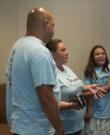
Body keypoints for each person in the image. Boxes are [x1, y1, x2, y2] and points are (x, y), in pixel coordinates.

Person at [6, 7, 65, 135]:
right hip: (37, 129)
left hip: (20, 126)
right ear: (45, 24)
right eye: (53, 26)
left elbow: (9, 76)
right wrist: (60, 129)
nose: (53, 31)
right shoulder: (40, 51)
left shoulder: (17, 46)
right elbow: (46, 97)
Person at [46, 39, 105, 135]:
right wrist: (69, 105)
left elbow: (78, 86)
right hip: (64, 128)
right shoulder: (50, 73)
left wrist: (90, 87)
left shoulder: (67, 69)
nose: (67, 52)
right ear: (53, 54)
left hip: (78, 124)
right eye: (63, 50)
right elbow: (49, 102)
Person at [81, 45, 110, 135]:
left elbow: (109, 87)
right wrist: (89, 109)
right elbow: (86, 92)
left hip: (109, 114)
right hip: (94, 115)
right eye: (97, 54)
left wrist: (94, 91)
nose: (101, 55)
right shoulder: (87, 71)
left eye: (103, 53)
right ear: (93, 57)